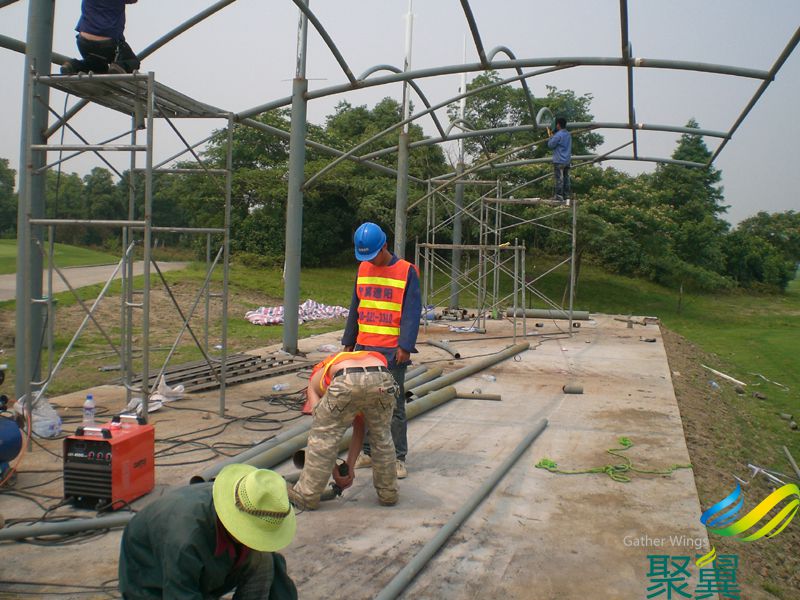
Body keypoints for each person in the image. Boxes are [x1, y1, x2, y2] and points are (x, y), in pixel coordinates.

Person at [119, 465, 298, 599]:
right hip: (149, 578)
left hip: (197, 559)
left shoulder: (245, 505)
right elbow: (179, 593)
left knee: (264, 560)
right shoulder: (185, 541)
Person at [341, 222, 421, 480]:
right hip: (364, 348)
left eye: (372, 255)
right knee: (363, 404)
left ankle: (398, 457)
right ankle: (366, 452)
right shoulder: (363, 267)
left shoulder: (406, 271)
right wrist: (348, 341)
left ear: (384, 246)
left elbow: (411, 311)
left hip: (391, 352)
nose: (369, 260)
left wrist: (405, 346)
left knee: (394, 406)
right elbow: (356, 306)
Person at [288, 350, 399, 510]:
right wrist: (349, 468)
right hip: (382, 379)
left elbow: (323, 436)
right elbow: (360, 428)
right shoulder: (345, 360)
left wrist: (334, 470)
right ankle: (388, 493)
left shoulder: (314, 382)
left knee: (323, 436)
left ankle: (306, 496)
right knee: (382, 436)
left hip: (346, 378)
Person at [61, 0, 141, 75]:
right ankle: (118, 67)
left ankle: (73, 65)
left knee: (98, 67)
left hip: (83, 41)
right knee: (133, 61)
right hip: (108, 44)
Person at [547, 117, 572, 203]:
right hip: (567, 160)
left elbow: (550, 145)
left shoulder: (558, 135)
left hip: (559, 160)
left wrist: (551, 136)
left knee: (559, 179)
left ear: (558, 125)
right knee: (566, 178)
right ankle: (566, 195)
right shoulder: (568, 134)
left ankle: (558, 196)